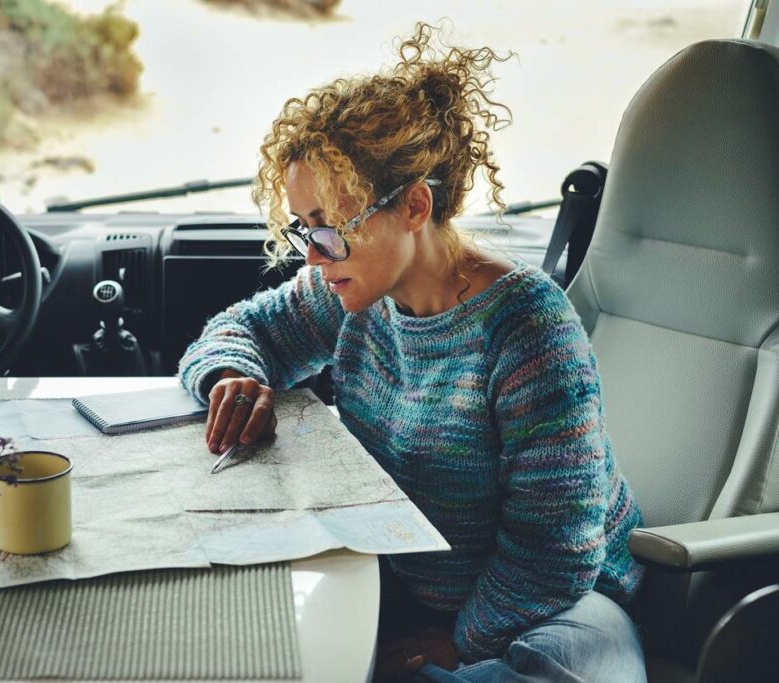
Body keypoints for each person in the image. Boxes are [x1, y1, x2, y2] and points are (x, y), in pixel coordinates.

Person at [178, 22, 646, 682]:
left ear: (415, 207)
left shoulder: (527, 327)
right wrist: (234, 375)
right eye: (301, 227)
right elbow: (238, 331)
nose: (311, 255)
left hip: (560, 607)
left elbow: (556, 552)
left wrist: (459, 640)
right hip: (411, 583)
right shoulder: (350, 293)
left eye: (327, 229)